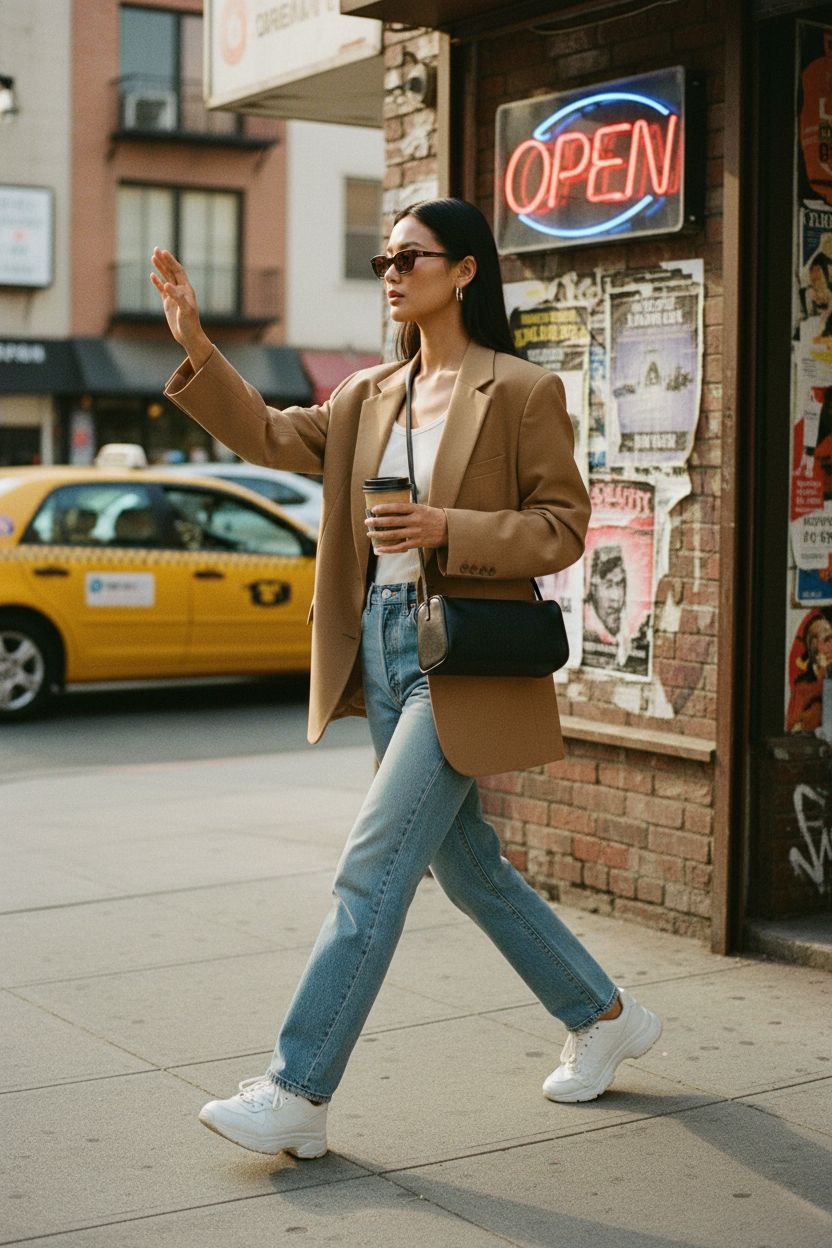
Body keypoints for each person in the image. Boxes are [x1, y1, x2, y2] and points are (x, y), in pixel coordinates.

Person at [151, 197, 662, 1159]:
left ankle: (300, 1091)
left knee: (372, 868)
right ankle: (604, 1015)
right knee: (464, 867)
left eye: (410, 256)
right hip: (383, 646)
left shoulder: (518, 390)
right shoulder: (365, 397)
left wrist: (446, 530)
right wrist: (196, 342)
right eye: (383, 257)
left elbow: (563, 526)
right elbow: (264, 435)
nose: (391, 270)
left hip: (463, 650)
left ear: (464, 270)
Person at [583, 545, 649, 676]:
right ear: (593, 588)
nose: (617, 597)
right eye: (608, 585)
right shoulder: (584, 627)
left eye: (620, 584)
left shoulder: (633, 632)